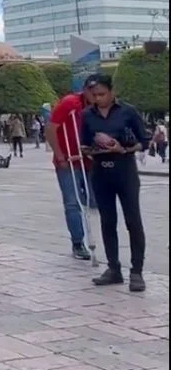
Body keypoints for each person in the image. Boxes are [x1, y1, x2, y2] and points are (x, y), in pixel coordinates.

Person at [78, 74, 148, 292]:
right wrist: (90, 148)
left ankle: (136, 271)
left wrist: (123, 148)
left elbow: (143, 141)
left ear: (111, 92)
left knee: (133, 221)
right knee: (107, 221)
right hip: (100, 171)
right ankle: (113, 268)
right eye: (94, 95)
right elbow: (84, 143)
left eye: (102, 94)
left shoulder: (128, 111)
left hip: (124, 170)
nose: (98, 99)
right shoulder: (87, 115)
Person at [47, 87, 95, 260]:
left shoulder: (101, 106)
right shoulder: (70, 104)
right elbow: (51, 128)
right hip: (68, 161)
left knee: (95, 200)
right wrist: (60, 157)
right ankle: (78, 242)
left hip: (91, 161)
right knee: (72, 202)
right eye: (93, 93)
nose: (97, 97)